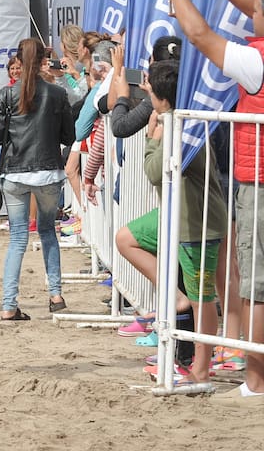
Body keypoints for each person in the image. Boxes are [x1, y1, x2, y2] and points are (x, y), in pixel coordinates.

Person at [162, 0, 264, 400]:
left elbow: (200, 35)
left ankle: (257, 381)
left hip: (258, 181)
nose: (250, 12)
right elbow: (257, 6)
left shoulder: (256, 62)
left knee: (257, 287)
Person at [111, 59, 225, 385]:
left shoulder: (179, 125)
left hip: (196, 224)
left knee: (204, 301)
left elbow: (153, 172)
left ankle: (200, 369)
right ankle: (175, 300)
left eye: (150, 90)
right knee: (126, 238)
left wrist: (151, 138)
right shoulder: (178, 118)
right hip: (180, 215)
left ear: (162, 98)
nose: (145, 93)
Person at [0, 37, 74, 321]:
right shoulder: (57, 94)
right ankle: (56, 294)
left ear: (18, 62)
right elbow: (68, 136)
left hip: (15, 172)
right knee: (49, 232)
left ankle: (8, 304)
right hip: (49, 171)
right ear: (42, 62)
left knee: (17, 239)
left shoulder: (5, 95)